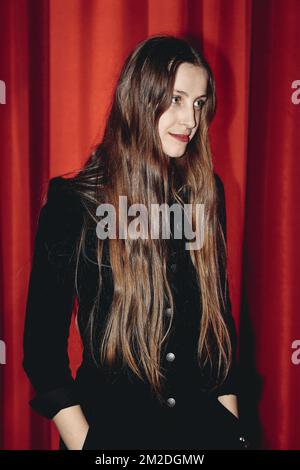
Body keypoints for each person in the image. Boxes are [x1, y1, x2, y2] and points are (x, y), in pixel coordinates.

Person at [22, 35, 249, 450]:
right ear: (138, 100)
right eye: (177, 99)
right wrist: (87, 445)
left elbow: (218, 329)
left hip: (205, 434)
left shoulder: (204, 193)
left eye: (199, 103)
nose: (191, 120)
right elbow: (42, 350)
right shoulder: (76, 203)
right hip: (112, 435)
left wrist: (233, 433)